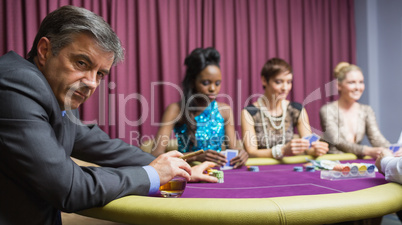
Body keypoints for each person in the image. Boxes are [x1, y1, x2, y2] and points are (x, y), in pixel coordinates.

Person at [0, 6, 216, 225]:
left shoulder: (58, 90)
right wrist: (150, 175)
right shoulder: (16, 84)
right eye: (81, 63)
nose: (91, 83)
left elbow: (97, 143)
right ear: (45, 50)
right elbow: (69, 187)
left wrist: (173, 167)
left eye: (100, 74)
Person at [151, 47, 248, 168]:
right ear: (192, 82)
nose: (213, 88)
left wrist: (240, 153)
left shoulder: (225, 110)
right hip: (188, 173)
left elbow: (233, 149)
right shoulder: (175, 110)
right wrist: (196, 156)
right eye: (206, 83)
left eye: (217, 83)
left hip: (218, 173)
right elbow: (155, 154)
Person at [241, 58, 328, 159]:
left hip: (289, 169)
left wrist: (316, 150)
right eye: (278, 82)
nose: (285, 88)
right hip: (259, 169)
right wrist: (282, 150)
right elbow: (251, 152)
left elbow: (308, 145)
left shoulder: (297, 110)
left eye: (289, 82)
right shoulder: (249, 113)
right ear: (264, 80)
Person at [320, 62, 390, 159]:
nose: (358, 87)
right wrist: (367, 150)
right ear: (338, 85)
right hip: (332, 163)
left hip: (355, 164)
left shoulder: (366, 110)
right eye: (351, 82)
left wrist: (394, 149)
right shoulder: (328, 110)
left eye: (361, 82)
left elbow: (377, 139)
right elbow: (337, 141)